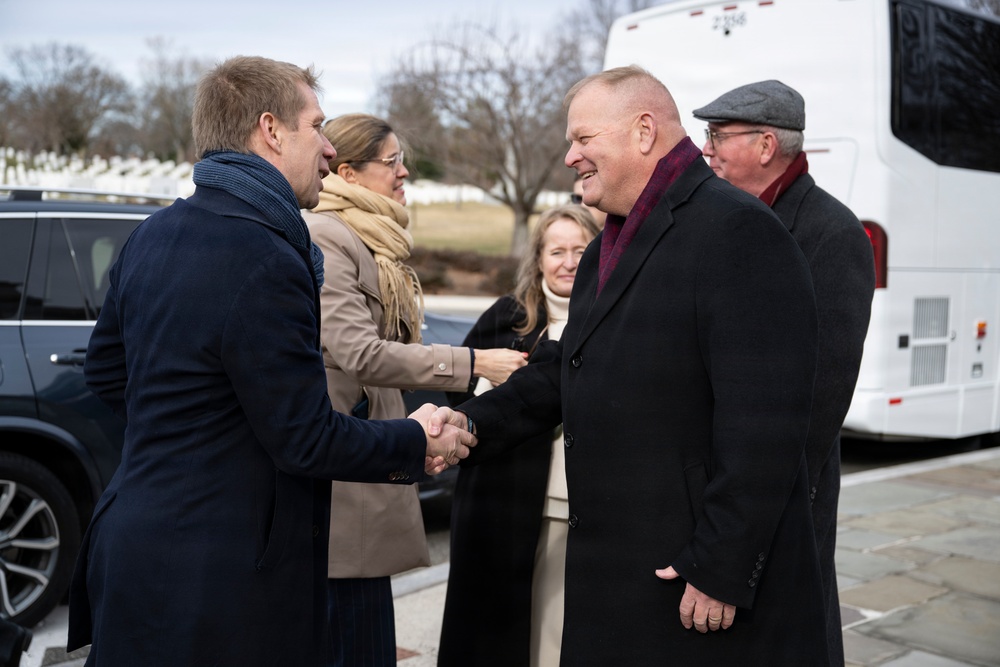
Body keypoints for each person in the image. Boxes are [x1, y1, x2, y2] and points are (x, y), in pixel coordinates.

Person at [66, 56, 473, 667]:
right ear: (271, 130)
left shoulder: (153, 232)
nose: (330, 149)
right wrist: (416, 440)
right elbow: (304, 438)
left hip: (132, 546)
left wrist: (199, 430)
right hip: (219, 579)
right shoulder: (267, 255)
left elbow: (105, 371)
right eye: (318, 126)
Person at [436, 64, 830, 664]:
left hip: (691, 584)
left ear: (643, 131)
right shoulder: (605, 250)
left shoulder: (739, 231)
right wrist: (468, 423)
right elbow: (562, 370)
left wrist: (722, 565)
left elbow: (767, 426)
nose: (569, 156)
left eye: (582, 138)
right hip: (620, 580)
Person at [300, 113, 527, 666]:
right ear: (348, 173)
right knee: (352, 639)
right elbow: (359, 352)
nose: (405, 172)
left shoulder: (370, 238)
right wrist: (475, 362)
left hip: (372, 454)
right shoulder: (328, 236)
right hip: (347, 464)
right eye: (392, 161)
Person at [693, 79, 876, 666]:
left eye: (718, 135)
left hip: (782, 494)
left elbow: (822, 394)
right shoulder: (720, 217)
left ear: (766, 144)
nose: (706, 147)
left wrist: (754, 506)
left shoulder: (833, 232)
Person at [438, 204, 600, 667]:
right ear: (539, 258)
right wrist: (494, 382)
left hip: (579, 504)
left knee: (559, 630)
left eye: (581, 250)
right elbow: (459, 393)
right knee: (499, 631)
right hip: (504, 500)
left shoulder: (609, 316)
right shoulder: (508, 317)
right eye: (557, 251)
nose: (569, 262)